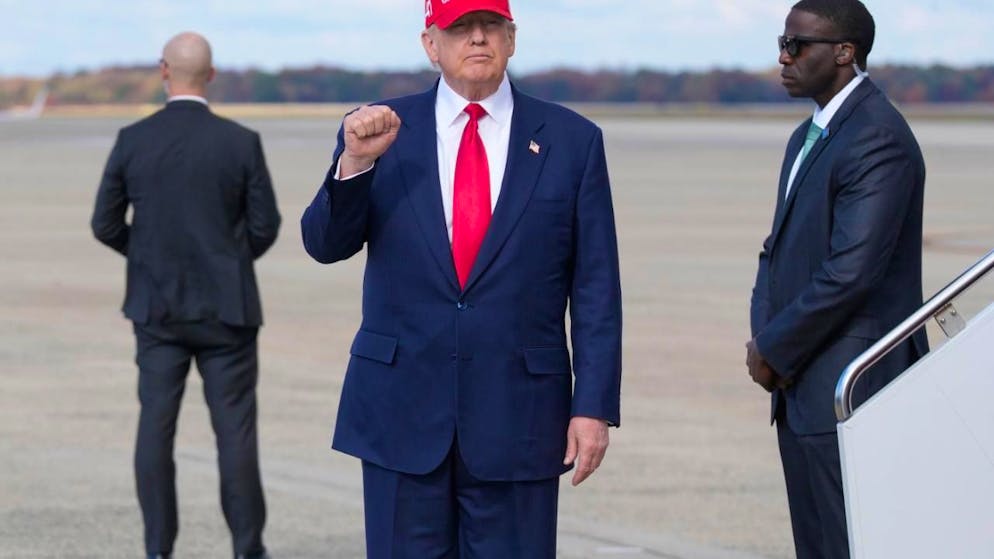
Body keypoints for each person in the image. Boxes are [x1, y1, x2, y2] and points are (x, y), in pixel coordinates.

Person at [301, 0, 622, 556]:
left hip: (519, 417)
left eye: (490, 27)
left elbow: (596, 289)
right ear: (431, 44)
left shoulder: (573, 140)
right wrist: (354, 164)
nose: (477, 39)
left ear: (512, 39)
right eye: (460, 28)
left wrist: (592, 407)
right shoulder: (380, 130)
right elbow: (325, 245)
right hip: (400, 414)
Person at [747, 1, 928, 557]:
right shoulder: (810, 134)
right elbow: (777, 253)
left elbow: (851, 272)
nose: (783, 56)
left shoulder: (878, 138)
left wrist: (774, 347)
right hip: (800, 384)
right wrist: (764, 341)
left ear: (845, 53)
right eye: (783, 41)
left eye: (797, 45)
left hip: (849, 385)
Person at [91, 32, 280, 559]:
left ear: (163, 71)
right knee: (235, 434)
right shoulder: (241, 142)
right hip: (229, 310)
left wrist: (148, 258)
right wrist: (229, 262)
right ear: (212, 75)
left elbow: (104, 224)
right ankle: (248, 549)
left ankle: (157, 551)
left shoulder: (133, 139)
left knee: (155, 428)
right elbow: (266, 226)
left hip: (157, 310)